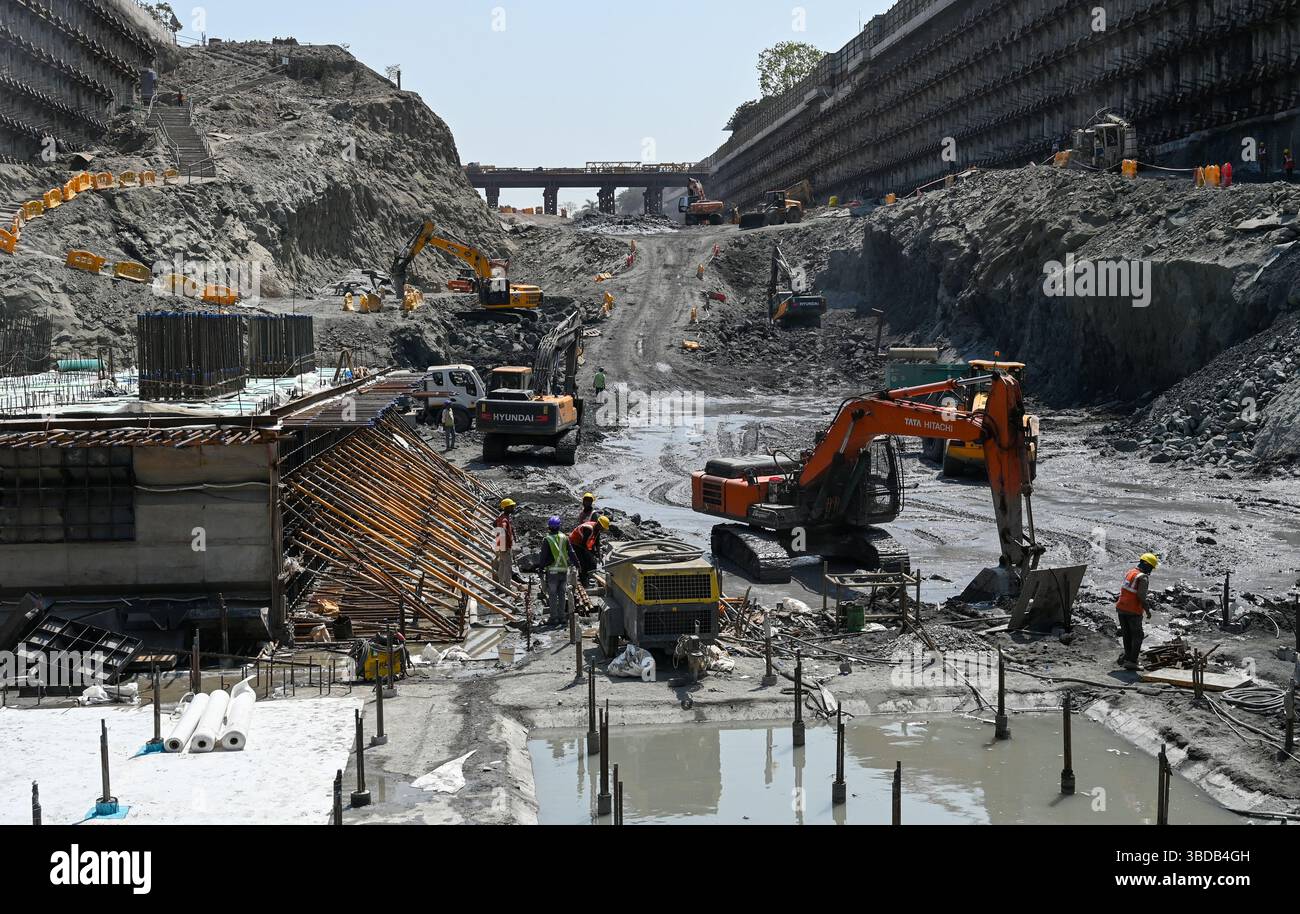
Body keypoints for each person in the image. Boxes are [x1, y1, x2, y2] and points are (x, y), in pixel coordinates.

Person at [1115, 553, 1158, 671]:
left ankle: (1128, 657)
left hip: (1121, 608)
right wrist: (1147, 611)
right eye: (1150, 567)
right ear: (1145, 563)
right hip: (1133, 610)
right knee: (1138, 635)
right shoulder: (1142, 577)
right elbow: (1141, 596)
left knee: (1127, 634)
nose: (1151, 570)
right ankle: (1132, 661)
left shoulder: (1130, 572)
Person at [535, 516, 578, 625]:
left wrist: (540, 569)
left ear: (549, 527)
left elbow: (543, 556)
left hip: (552, 572)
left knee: (553, 595)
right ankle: (562, 617)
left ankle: (554, 618)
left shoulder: (547, 539)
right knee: (562, 594)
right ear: (559, 526)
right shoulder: (565, 537)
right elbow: (571, 552)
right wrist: (577, 564)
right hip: (563, 570)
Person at [569, 514, 609, 585]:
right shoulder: (589, 529)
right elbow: (583, 545)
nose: (603, 530)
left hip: (582, 544)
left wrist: (598, 555)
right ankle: (583, 580)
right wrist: (591, 554)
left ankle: (587, 577)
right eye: (603, 528)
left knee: (590, 560)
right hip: (575, 543)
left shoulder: (597, 530)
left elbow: (597, 543)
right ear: (599, 524)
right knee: (582, 562)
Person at [493, 498, 516, 588]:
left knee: (502, 564)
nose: (513, 508)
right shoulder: (504, 520)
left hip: (500, 544)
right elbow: (503, 528)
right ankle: (507, 586)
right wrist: (506, 544)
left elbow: (494, 524)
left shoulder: (501, 517)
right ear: (506, 508)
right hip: (504, 545)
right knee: (508, 567)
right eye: (511, 506)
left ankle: (500, 584)